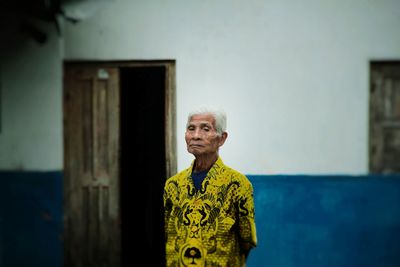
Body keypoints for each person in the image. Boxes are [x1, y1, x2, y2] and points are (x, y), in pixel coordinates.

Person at [163, 107, 257, 266]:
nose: (196, 136)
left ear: (222, 138)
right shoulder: (173, 185)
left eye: (205, 129)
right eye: (191, 128)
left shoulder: (238, 184)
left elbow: (246, 240)